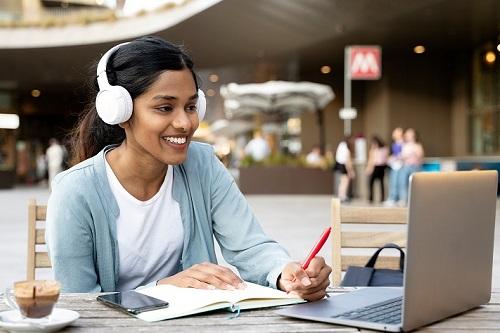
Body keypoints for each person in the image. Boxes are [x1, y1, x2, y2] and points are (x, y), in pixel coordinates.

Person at [45, 37, 331, 301]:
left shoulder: (204, 164)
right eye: (165, 108)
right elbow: (79, 300)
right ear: (119, 112)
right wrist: (161, 290)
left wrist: (286, 274)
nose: (185, 123)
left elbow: (249, 246)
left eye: (191, 106)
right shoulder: (75, 191)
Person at [398, 128, 424, 205]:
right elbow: (402, 156)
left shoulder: (418, 145)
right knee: (403, 183)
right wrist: (406, 156)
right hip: (406, 166)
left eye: (410, 134)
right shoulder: (405, 146)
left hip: (415, 166)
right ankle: (404, 199)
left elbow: (420, 155)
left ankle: (416, 199)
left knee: (416, 184)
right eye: (408, 134)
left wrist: (414, 154)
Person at [384, 127, 404, 206]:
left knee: (400, 183)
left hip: (401, 165)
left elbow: (402, 154)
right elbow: (394, 154)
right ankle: (392, 198)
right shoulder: (394, 144)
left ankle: (398, 198)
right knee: (393, 182)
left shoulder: (403, 143)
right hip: (394, 165)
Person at [365, 136, 389, 203]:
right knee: (372, 183)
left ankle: (382, 198)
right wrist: (369, 168)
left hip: (380, 167)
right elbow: (371, 160)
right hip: (376, 167)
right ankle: (371, 198)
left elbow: (386, 158)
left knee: (381, 183)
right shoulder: (373, 150)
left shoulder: (384, 149)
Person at [334, 136, 355, 202]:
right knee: (345, 181)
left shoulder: (341, 145)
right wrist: (350, 171)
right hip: (344, 165)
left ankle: (341, 195)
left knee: (342, 182)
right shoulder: (346, 148)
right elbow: (347, 161)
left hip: (339, 164)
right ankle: (343, 196)